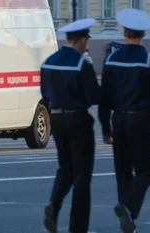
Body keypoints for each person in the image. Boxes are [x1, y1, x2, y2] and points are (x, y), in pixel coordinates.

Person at [98, 9, 150, 233]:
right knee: (145, 172)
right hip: (141, 121)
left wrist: (105, 126)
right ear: (142, 35)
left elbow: (105, 96)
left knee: (123, 172)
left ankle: (129, 220)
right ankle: (127, 208)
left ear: (125, 33)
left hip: (118, 120)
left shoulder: (112, 59)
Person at [41, 18, 101, 233]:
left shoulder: (48, 61)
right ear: (82, 39)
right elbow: (94, 96)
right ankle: (78, 227)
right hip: (78, 120)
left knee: (65, 168)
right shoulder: (80, 63)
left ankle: (53, 205)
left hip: (55, 119)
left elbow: (44, 93)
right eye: (86, 40)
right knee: (82, 177)